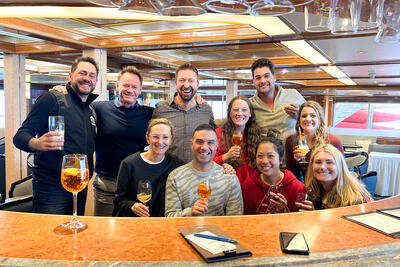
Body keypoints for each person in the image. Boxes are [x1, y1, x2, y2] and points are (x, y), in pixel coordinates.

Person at [13, 56, 98, 215]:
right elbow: (20, 136)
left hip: (79, 186)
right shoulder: (51, 99)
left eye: (92, 75)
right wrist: (37, 143)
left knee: (74, 232)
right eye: (82, 73)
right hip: (50, 188)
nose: (87, 78)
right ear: (71, 76)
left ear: (96, 81)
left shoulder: (91, 111)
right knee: (50, 236)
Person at [91, 66, 153, 216]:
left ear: (140, 90)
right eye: (126, 85)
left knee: (132, 233)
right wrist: (64, 90)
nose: (129, 90)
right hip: (107, 186)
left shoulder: (149, 113)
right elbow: (77, 103)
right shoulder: (99, 108)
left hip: (136, 186)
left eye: (134, 87)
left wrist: (197, 99)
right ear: (117, 86)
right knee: (103, 232)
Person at [165, 124, 243, 217]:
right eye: (199, 142)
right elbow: (169, 217)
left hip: (220, 231)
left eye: (210, 142)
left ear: (216, 146)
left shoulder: (230, 178)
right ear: (191, 144)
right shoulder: (175, 177)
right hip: (184, 231)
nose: (204, 147)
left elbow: (235, 220)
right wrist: (190, 212)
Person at [113, 118, 184, 217]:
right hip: (133, 221)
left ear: (171, 139)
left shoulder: (176, 164)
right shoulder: (129, 164)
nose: (160, 142)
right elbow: (119, 199)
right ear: (147, 138)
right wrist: (132, 205)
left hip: (162, 222)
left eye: (165, 137)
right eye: (155, 137)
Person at [152, 63, 214, 163]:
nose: (186, 85)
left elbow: (213, 141)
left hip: (196, 172)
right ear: (175, 83)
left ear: (197, 84)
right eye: (182, 80)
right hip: (166, 172)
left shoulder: (206, 110)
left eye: (191, 80)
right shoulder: (161, 109)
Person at [295, 144, 372, 211]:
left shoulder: (355, 198)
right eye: (318, 162)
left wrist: (315, 215)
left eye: (329, 162)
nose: (322, 167)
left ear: (340, 166)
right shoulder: (313, 190)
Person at [241, 135, 305, 215]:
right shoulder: (247, 187)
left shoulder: (298, 188)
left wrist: (284, 211)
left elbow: (300, 221)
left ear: (281, 159)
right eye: (260, 156)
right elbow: (246, 219)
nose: (264, 161)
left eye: (270, 156)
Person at [249, 58, 306, 142]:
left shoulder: (293, 95)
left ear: (274, 77)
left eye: (266, 76)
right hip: (265, 154)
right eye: (258, 78)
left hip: (294, 153)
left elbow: (314, 121)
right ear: (253, 81)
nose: (263, 81)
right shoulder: (249, 105)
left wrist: (300, 116)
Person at [285, 101, 344, 180]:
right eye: (304, 116)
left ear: (320, 119)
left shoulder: (332, 141)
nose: (308, 119)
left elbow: (341, 173)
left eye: (313, 116)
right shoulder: (291, 141)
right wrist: (296, 161)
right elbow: (291, 175)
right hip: (307, 187)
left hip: (328, 187)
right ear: (299, 120)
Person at [213, 95, 262, 184]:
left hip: (251, 186)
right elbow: (207, 162)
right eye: (235, 110)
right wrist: (225, 157)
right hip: (227, 185)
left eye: (244, 110)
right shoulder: (218, 134)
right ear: (230, 113)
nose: (239, 113)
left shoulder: (257, 135)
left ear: (250, 113)